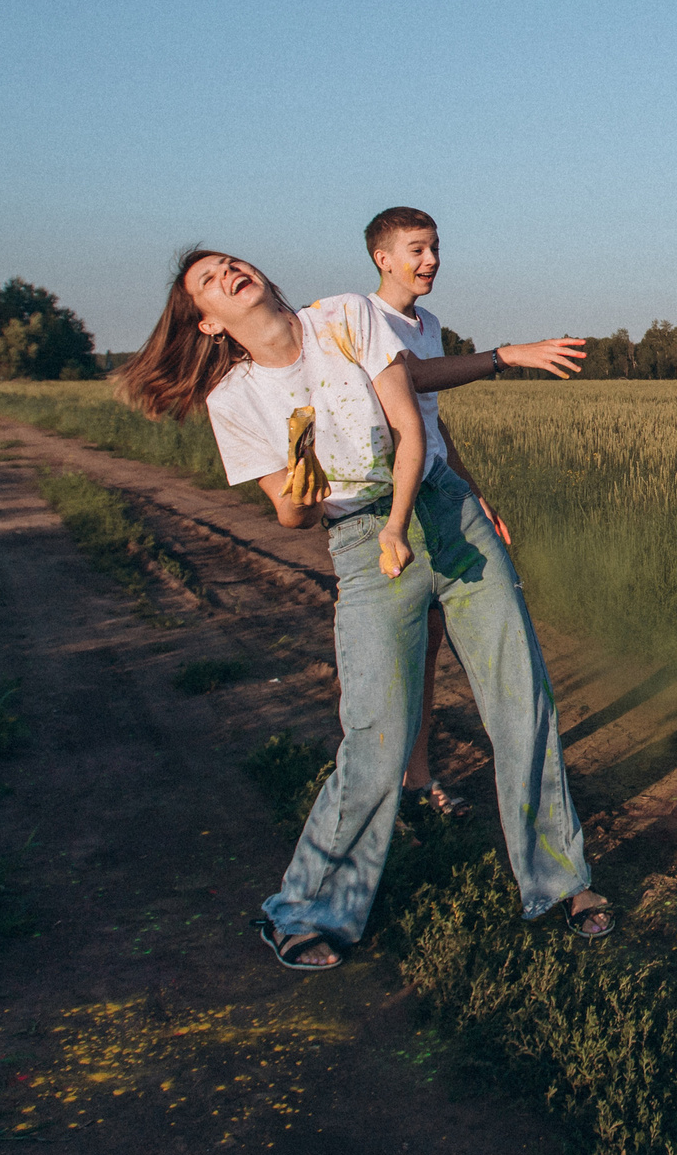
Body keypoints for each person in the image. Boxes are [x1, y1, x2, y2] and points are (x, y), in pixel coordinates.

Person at [115, 250, 610, 972]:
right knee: (376, 732)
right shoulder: (236, 400)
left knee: (520, 700)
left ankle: (561, 883)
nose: (227, 274)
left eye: (229, 263)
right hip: (358, 539)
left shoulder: (345, 317)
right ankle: (308, 909)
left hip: (442, 512)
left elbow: (411, 430)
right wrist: (303, 485)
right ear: (208, 321)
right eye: (208, 281)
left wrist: (399, 522)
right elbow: (287, 512)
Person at [359, 205, 587, 821]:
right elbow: (409, 378)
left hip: (444, 493)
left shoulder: (427, 320)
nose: (430, 260)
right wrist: (505, 355)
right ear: (383, 258)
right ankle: (392, 786)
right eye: (416, 249)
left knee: (439, 642)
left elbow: (431, 420)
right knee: (400, 658)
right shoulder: (365, 320)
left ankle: (419, 777)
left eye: (435, 248)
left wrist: (474, 491)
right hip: (392, 507)